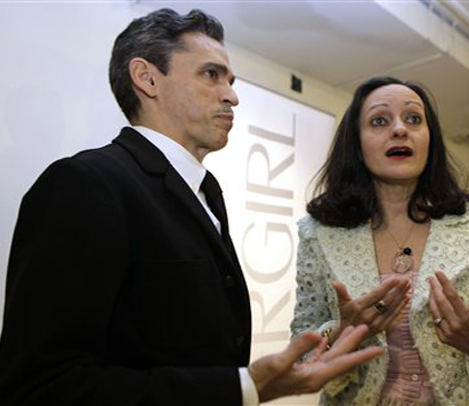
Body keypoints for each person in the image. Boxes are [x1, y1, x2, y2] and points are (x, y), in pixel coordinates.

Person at [0, 9, 384, 406]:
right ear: (147, 78)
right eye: (211, 75)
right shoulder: (84, 184)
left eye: (230, 81)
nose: (232, 95)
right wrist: (243, 387)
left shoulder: (207, 194)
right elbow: (41, 387)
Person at [290, 76, 469, 405]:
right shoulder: (319, 233)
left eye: (413, 119)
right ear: (356, 144)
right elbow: (301, 354)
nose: (400, 129)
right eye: (379, 121)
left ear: (431, 140)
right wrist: (343, 335)